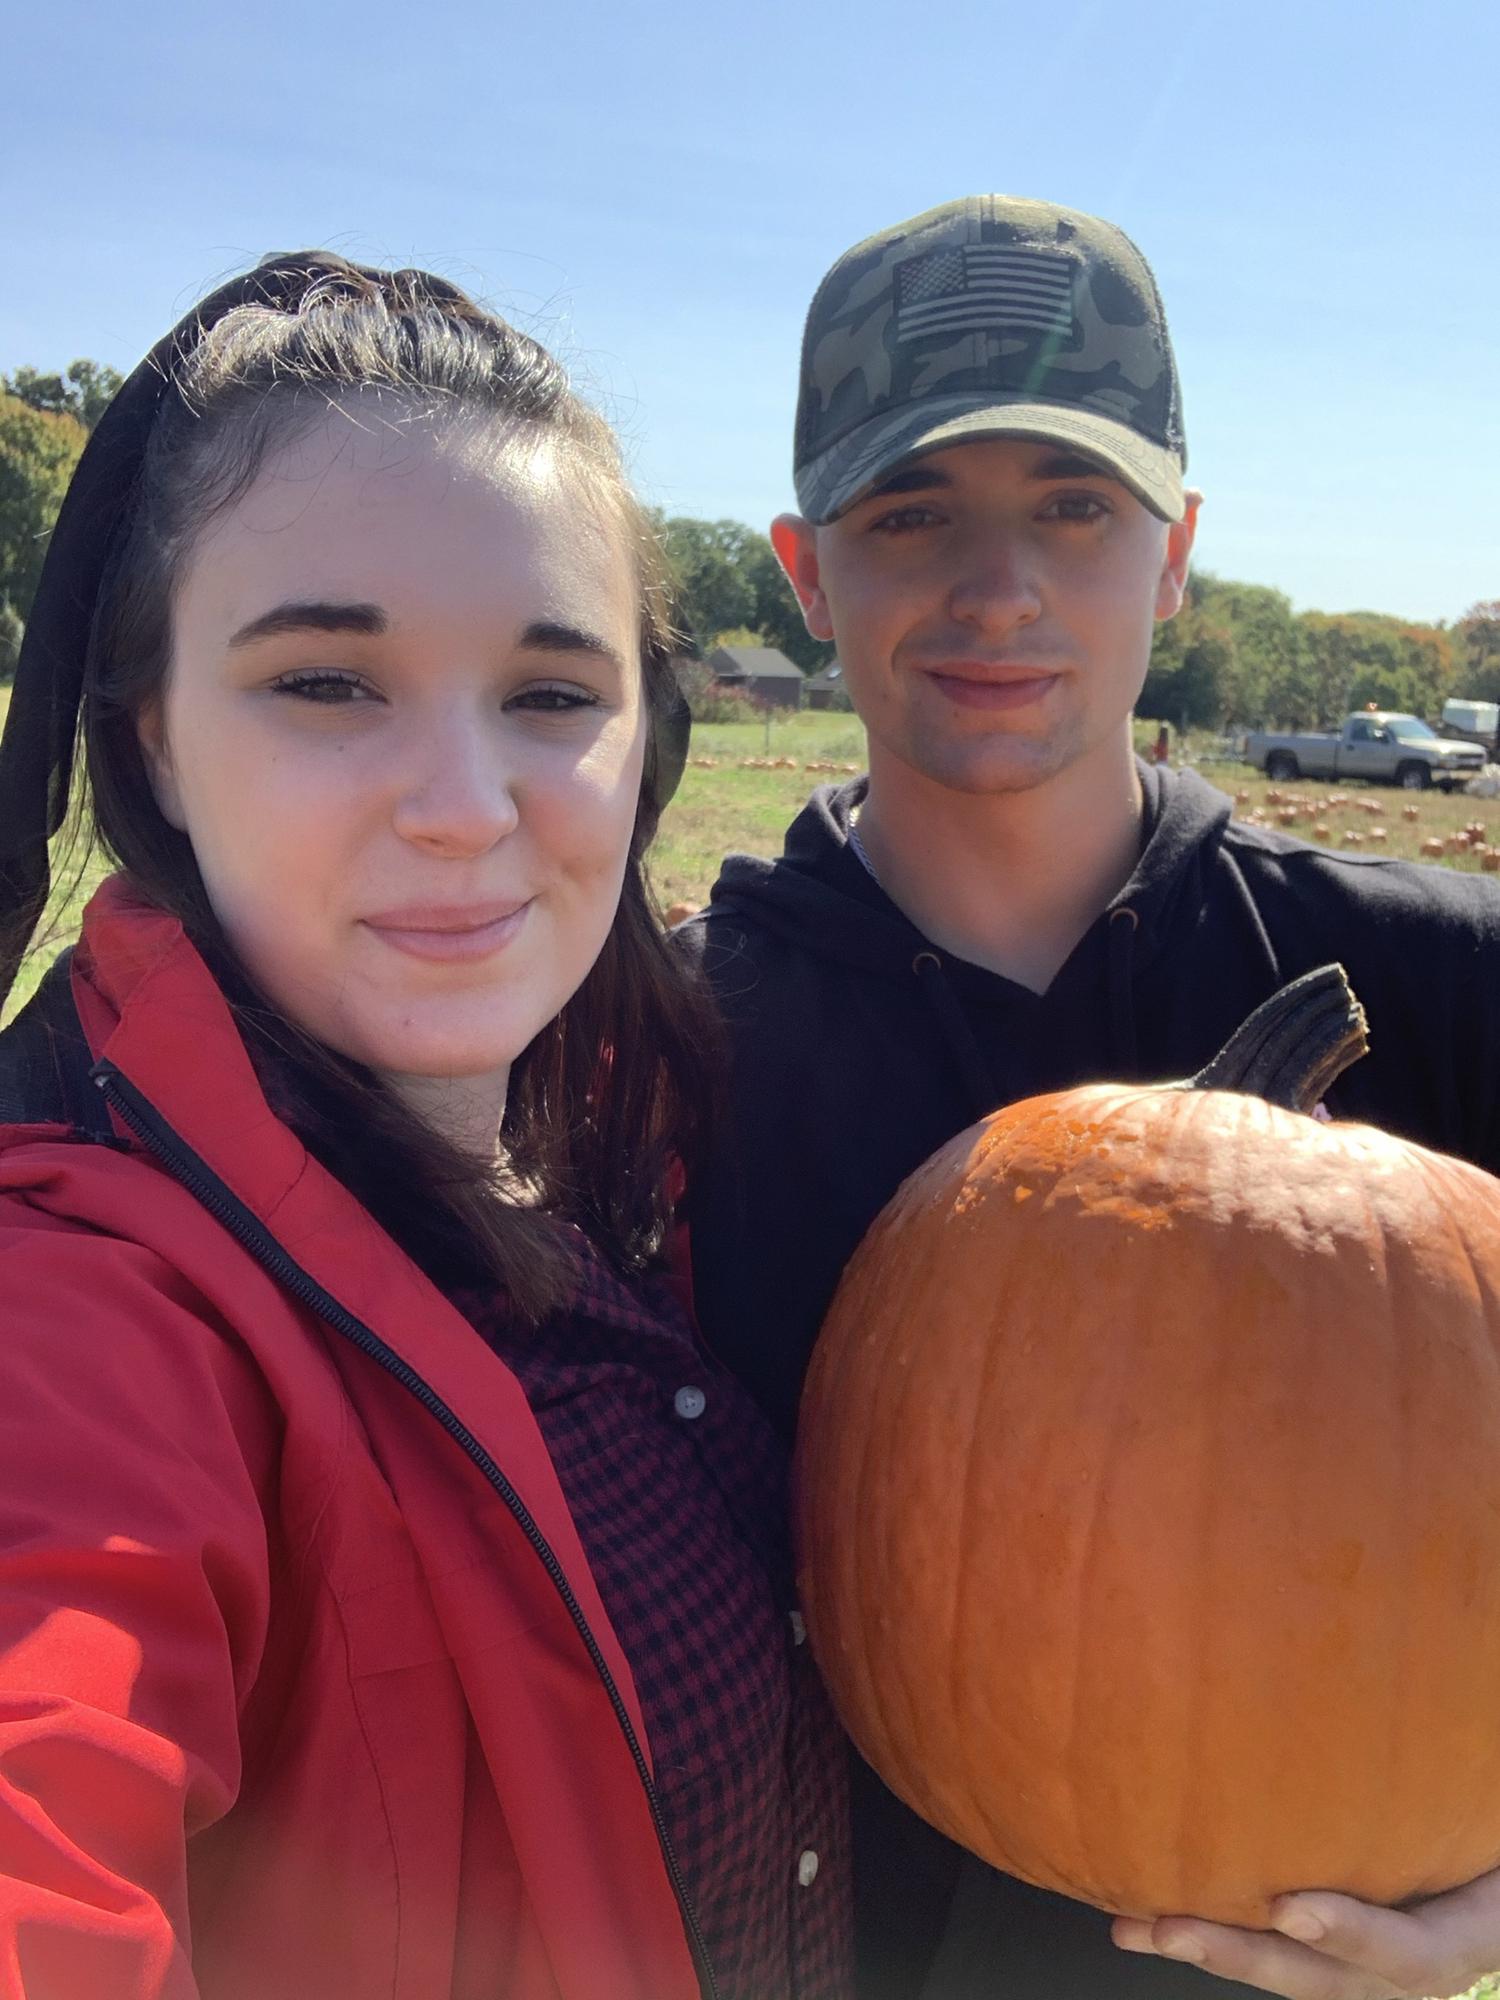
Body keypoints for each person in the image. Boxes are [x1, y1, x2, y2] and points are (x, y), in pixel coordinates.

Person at [675, 195, 1500, 2000]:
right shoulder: (660, 1040)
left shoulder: (1447, 981)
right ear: (805, 571)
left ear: (1179, 552)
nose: (999, 588)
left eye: (1074, 506)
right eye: (914, 515)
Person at [0, 254, 851, 1999]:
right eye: (325, 682)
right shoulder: (85, 1316)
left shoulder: (631, 1138)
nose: (468, 811)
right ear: (151, 739)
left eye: (553, 696)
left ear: (646, 744)